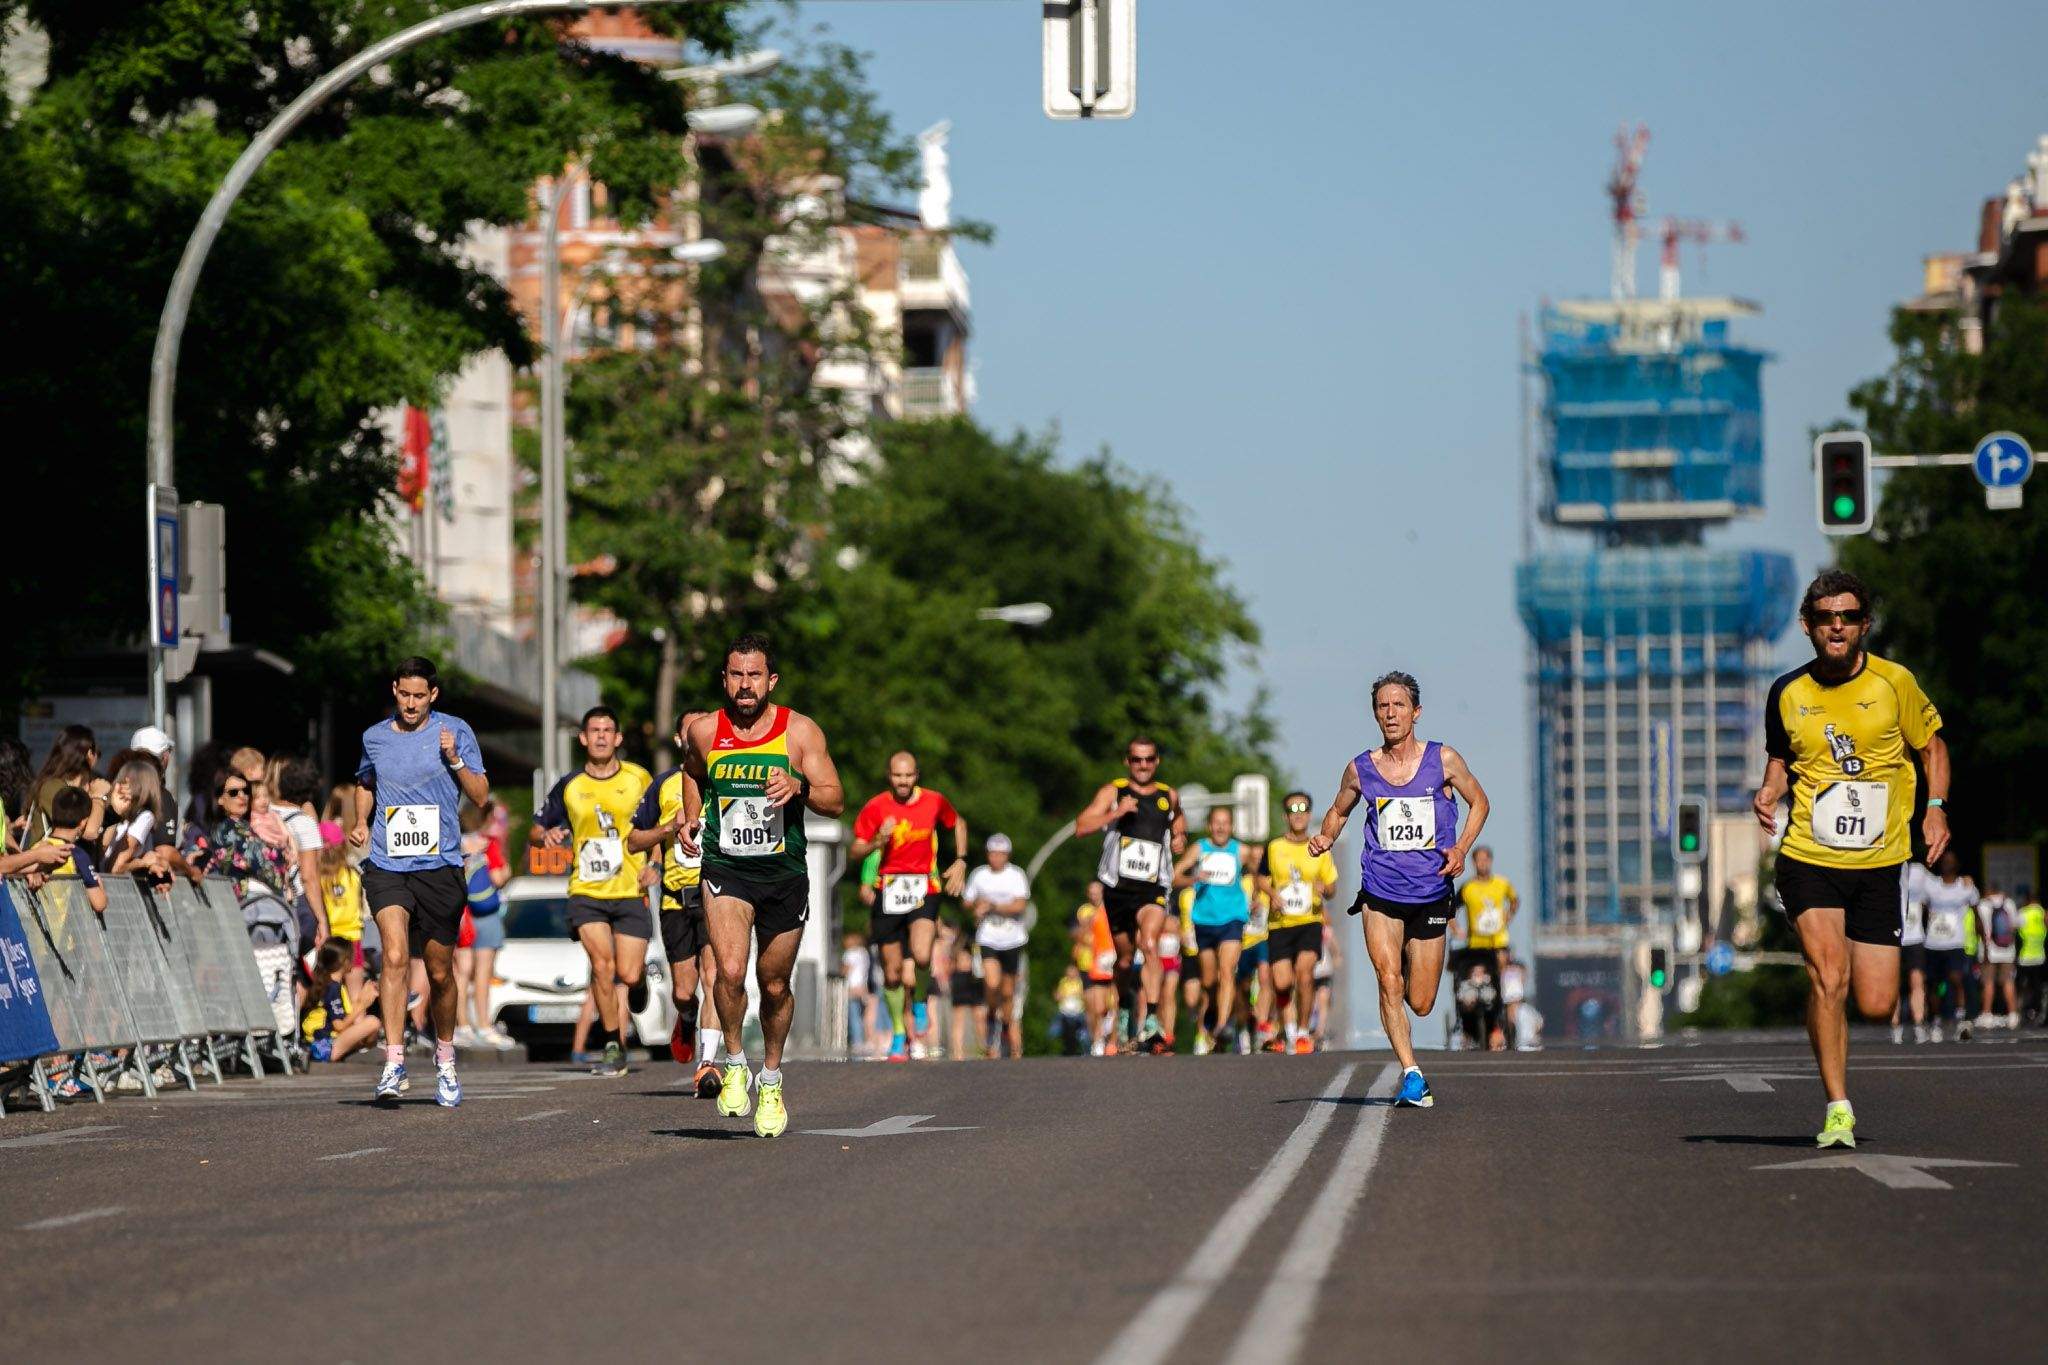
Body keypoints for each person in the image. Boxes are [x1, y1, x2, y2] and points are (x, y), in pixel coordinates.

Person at [1754, 570, 1949, 1146]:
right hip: (1809, 855)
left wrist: (1934, 807)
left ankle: (1833, 1035)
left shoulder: (1895, 683)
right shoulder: (1787, 693)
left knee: (1876, 1000)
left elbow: (1932, 746)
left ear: (1864, 623)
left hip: (1880, 860)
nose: (1835, 625)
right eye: (1824, 616)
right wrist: (1768, 794)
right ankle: (1837, 1104)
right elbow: (1781, 760)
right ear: (1808, 626)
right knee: (1827, 975)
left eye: (1847, 615)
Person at [680, 633, 844, 1138]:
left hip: (783, 876)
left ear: (770, 680)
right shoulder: (705, 730)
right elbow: (692, 774)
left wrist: (800, 787)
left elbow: (836, 800)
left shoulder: (799, 732)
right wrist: (691, 818)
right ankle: (735, 1062)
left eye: (754, 675)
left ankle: (770, 1077)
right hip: (727, 870)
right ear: (724, 680)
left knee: (773, 984)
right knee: (728, 971)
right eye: (736, 675)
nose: (745, 685)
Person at [1309, 670, 1490, 1108]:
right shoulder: (1361, 768)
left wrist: (1462, 849)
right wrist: (1326, 837)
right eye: (1383, 706)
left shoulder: (1443, 760)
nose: (1390, 713)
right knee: (1388, 979)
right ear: (1375, 714)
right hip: (1381, 892)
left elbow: (1480, 802)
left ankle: (1409, 976)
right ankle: (1412, 1074)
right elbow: (1338, 810)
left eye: (1398, 705)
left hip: (1430, 893)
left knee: (1422, 1001)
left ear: (1416, 712)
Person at [350, 656, 491, 1107]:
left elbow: (481, 795)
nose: (410, 704)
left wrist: (453, 758)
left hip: (440, 866)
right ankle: (393, 1061)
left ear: (433, 695)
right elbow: (364, 782)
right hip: (388, 864)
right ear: (395, 690)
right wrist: (359, 820)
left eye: (419, 696)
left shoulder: (455, 730)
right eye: (403, 694)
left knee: (439, 972)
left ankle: (445, 1058)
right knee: (393, 956)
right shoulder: (373, 737)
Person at [533, 707, 655, 1078]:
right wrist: (548, 834)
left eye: (607, 730)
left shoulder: (638, 778)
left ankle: (638, 984)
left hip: (630, 888)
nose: (601, 736)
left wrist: (655, 863)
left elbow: (659, 824)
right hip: (586, 890)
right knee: (602, 968)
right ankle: (613, 1044)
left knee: (628, 973)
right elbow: (538, 828)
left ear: (618, 738)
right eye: (594, 731)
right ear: (583, 738)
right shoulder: (569, 786)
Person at [848, 752, 968, 1062]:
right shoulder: (876, 807)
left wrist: (960, 860)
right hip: (888, 890)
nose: (903, 782)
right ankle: (900, 1034)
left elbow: (958, 823)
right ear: (889, 776)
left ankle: (919, 1002)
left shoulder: (934, 801)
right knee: (891, 973)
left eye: (909, 775)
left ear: (917, 775)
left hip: (923, 886)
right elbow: (856, 849)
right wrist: (878, 840)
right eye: (898, 776)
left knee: (923, 954)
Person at [1073, 738, 1186, 1055]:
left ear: (1157, 761)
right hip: (1118, 888)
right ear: (1127, 762)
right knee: (1123, 959)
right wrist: (1115, 814)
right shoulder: (1114, 792)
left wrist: (1179, 836)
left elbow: (1179, 818)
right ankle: (1124, 1009)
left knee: (1149, 943)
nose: (1143, 766)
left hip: (1153, 887)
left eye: (1149, 759)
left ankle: (1150, 1020)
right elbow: (1080, 826)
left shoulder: (1168, 795)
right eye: (1137, 760)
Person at [628, 721, 723, 1096]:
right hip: (675, 900)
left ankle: (708, 1063)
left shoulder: (725, 776)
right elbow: (635, 839)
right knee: (685, 990)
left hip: (718, 894)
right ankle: (686, 1017)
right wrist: (668, 830)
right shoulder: (663, 783)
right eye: (691, 732)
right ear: (681, 739)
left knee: (714, 976)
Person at [1174, 805, 1262, 1055]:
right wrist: (1194, 878)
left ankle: (1223, 1025)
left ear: (1231, 826)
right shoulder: (1199, 849)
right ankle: (1211, 1018)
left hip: (1233, 918)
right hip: (1204, 920)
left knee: (1227, 972)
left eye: (1225, 822)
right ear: (1209, 826)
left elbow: (1260, 872)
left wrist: (1256, 894)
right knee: (1209, 980)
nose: (1221, 827)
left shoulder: (1241, 850)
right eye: (1216, 822)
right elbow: (1173, 876)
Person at [1263, 791, 1339, 1054]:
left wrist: (1324, 889)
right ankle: (1289, 1029)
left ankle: (1304, 1032)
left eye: (1303, 809)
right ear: (1286, 816)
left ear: (1309, 815)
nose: (1298, 814)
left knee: (1305, 974)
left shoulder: (1319, 849)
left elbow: (1332, 886)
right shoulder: (1274, 847)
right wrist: (1271, 894)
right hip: (1280, 924)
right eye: (1293, 810)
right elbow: (1261, 877)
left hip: (1309, 921)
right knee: (1282, 983)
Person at [965, 833, 1032, 1059]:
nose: (996, 858)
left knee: (1008, 991)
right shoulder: (979, 875)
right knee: (991, 983)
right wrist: (976, 906)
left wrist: (993, 906)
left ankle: (1005, 1023)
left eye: (1001, 854)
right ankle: (992, 1017)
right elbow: (967, 900)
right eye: (992, 853)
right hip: (988, 937)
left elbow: (1020, 905)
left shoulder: (1016, 875)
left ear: (1007, 855)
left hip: (1012, 938)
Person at [457, 804, 514, 1050]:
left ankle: (461, 1025)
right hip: (486, 914)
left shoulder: (456, 843)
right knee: (482, 973)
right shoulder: (487, 843)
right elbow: (499, 877)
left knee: (460, 973)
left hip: (461, 915)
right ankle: (483, 1025)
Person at [1918, 851, 1976, 1042]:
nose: (1947, 864)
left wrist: (1983, 937)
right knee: (1934, 984)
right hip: (1933, 943)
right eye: (1945, 861)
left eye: (1951, 861)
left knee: (1956, 979)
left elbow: (1976, 912)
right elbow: (1923, 910)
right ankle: (1935, 1021)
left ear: (1957, 865)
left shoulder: (1965, 886)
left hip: (1955, 943)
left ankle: (1961, 1020)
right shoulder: (1931, 885)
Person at [29, 786, 109, 914]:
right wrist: (99, 883)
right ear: (83, 823)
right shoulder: (76, 854)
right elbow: (99, 903)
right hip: (55, 929)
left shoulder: (38, 847)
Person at [301, 940, 383, 1063]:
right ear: (344, 961)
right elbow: (339, 1026)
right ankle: (356, 1052)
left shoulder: (327, 983)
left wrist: (361, 1000)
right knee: (373, 1022)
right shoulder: (333, 988)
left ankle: (358, 1050)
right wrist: (363, 1004)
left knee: (369, 1024)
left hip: (319, 1043)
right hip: (322, 1046)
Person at [25, 725, 107, 847]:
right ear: (89, 754)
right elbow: (89, 832)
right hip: (48, 862)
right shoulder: (52, 787)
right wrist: (99, 797)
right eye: (96, 752)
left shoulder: (82, 787)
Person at [1073, 883, 1117, 1055]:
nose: (1094, 896)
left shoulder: (1112, 909)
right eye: (1091, 893)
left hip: (1109, 961)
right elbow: (1079, 934)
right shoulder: (1085, 911)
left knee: (1111, 1003)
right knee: (1092, 1005)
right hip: (1089, 963)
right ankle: (1096, 1038)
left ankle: (1111, 1040)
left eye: (1097, 893)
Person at [1973, 882, 2020, 1029]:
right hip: (2007, 951)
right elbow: (2016, 924)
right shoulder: (2009, 903)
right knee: (2008, 982)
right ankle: (2013, 1015)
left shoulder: (1983, 905)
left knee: (1988, 983)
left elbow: (1979, 928)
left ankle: (1987, 1014)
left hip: (1989, 952)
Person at [1893, 862, 1931, 1044]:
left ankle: (1918, 1025)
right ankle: (1896, 1027)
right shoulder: (1885, 863)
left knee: (1917, 982)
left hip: (1914, 937)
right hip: (1893, 936)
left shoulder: (1919, 870)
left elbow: (1940, 886)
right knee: (1893, 984)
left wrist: (1964, 880)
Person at [948, 942, 986, 1059]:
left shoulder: (984, 938)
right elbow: (952, 957)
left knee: (979, 1016)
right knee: (958, 1018)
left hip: (975, 979)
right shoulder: (961, 938)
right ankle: (957, 1052)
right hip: (960, 978)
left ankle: (984, 1048)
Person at [841, 929, 873, 1057]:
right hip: (863, 987)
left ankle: (857, 1041)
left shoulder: (850, 953)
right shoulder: (863, 953)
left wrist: (841, 970)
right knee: (862, 1015)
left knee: (853, 1015)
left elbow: (846, 970)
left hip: (853, 987)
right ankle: (866, 1040)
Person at [2018, 887, 2046, 1027]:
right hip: (2039, 955)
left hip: (2025, 956)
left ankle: (2025, 1010)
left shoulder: (2023, 912)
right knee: (2037, 986)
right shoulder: (2042, 913)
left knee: (2024, 986)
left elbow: (2015, 930)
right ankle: (2037, 1009)